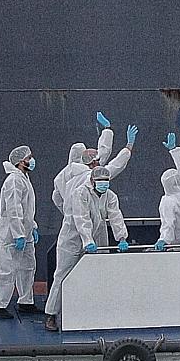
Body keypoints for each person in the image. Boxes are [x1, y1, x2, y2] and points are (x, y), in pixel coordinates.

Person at [44, 116, 136, 331]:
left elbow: (115, 214)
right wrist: (128, 146)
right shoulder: (80, 187)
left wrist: (122, 237)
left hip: (97, 233)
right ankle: (51, 314)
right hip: (73, 236)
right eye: (96, 161)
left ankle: (97, 310)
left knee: (100, 271)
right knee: (63, 273)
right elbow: (81, 218)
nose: (99, 161)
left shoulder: (103, 188)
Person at [0, 145, 39, 319]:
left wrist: (32, 226)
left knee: (27, 267)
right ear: (21, 162)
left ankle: (26, 301)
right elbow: (13, 210)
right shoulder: (13, 180)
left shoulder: (24, 178)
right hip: (11, 235)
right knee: (7, 269)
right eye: (29, 158)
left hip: (24, 233)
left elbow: (26, 209)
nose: (32, 161)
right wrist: (18, 234)